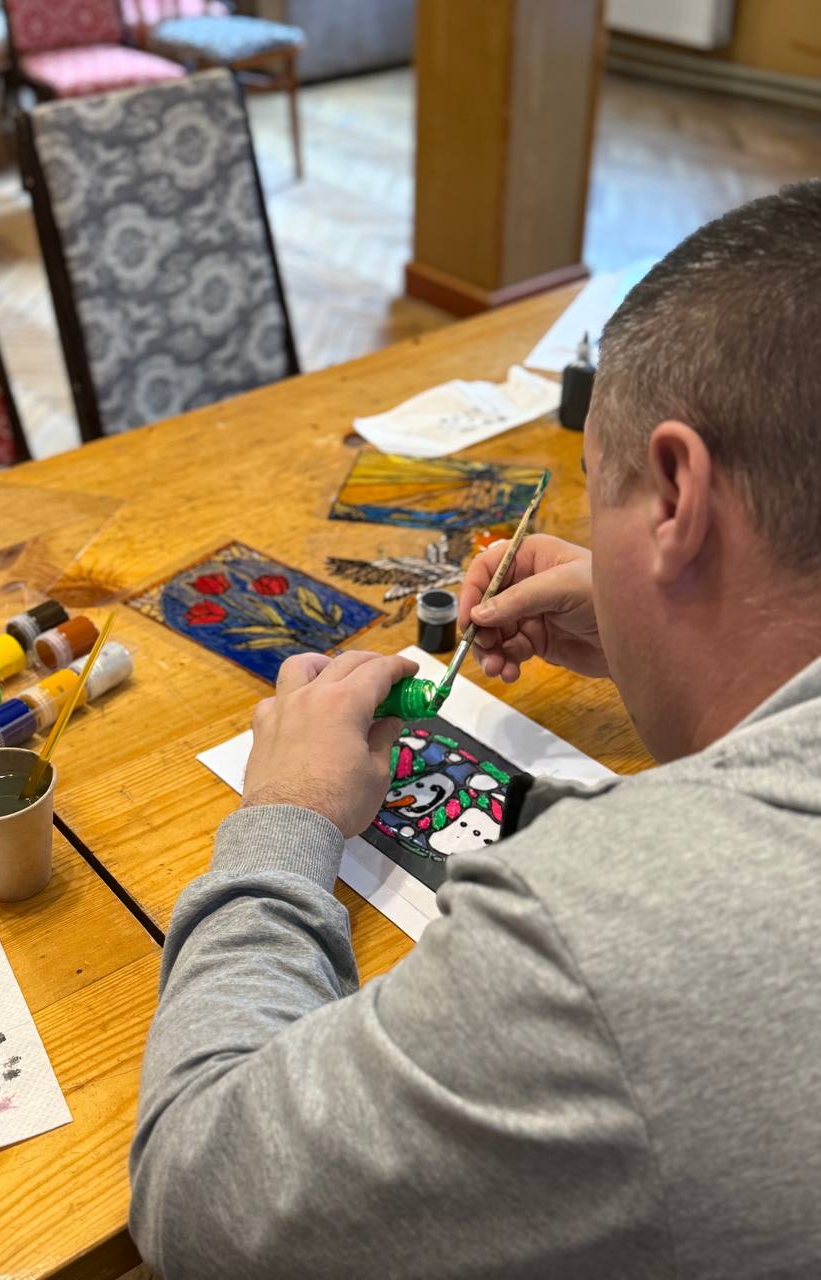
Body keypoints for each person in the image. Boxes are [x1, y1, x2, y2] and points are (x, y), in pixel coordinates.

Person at [130, 184, 821, 1278]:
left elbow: (196, 1195)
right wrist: (660, 623)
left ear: (676, 495)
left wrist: (285, 815)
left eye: (596, 489)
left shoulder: (595, 939)